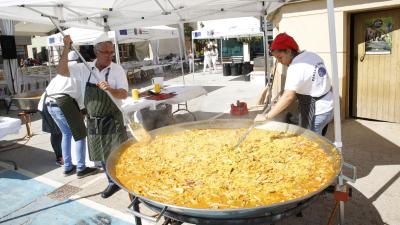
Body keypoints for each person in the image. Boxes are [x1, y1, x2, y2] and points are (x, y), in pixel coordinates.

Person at [60, 35, 129, 198]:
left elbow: (124, 94)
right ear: (95, 52)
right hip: (93, 120)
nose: (109, 55)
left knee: (118, 153)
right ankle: (112, 182)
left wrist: (111, 90)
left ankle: (125, 180)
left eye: (111, 52)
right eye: (105, 52)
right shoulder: (85, 68)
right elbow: (62, 72)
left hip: (113, 118)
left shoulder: (117, 69)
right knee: (103, 155)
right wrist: (66, 48)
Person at [255, 33, 333, 135]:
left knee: (310, 142)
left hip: (318, 112)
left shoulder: (295, 67)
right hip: (329, 106)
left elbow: (288, 97)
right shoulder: (312, 55)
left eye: (280, 57)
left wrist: (266, 116)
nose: (280, 62)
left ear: (288, 51)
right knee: (319, 138)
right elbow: (309, 82)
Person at [44, 49, 97, 178]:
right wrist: (82, 110)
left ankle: (68, 167)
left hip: (49, 102)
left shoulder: (62, 70)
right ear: (79, 61)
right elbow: (80, 94)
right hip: (64, 102)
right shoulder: (79, 69)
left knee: (66, 133)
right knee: (80, 135)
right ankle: (81, 168)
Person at [38, 94, 63, 166]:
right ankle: (59, 157)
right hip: (49, 104)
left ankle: (62, 155)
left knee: (59, 132)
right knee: (56, 132)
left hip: (53, 103)